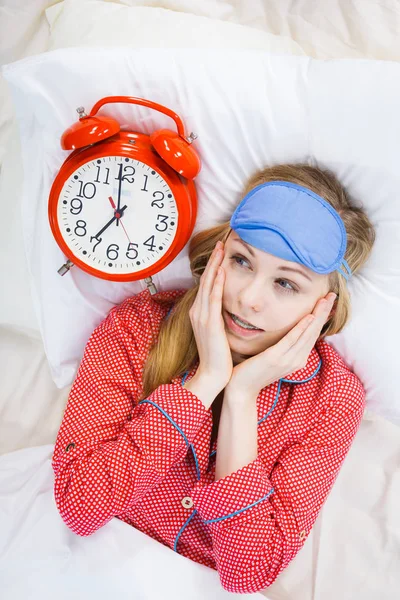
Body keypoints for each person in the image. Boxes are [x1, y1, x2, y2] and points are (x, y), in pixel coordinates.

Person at [52, 162, 376, 594]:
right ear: (218, 254)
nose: (248, 298)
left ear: (326, 309)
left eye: (286, 284)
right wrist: (204, 381)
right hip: (90, 567)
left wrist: (241, 397)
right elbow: (80, 505)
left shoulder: (332, 399)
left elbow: (248, 574)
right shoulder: (136, 328)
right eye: (242, 260)